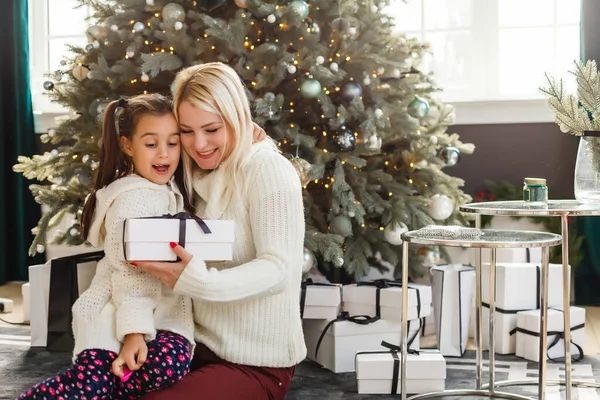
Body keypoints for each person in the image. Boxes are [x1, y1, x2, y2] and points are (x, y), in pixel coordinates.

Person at [133, 62, 306, 400]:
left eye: (212, 128)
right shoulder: (186, 170)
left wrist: (201, 282)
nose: (199, 144)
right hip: (188, 346)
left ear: (238, 117)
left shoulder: (268, 169)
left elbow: (280, 270)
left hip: (254, 362)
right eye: (187, 131)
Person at [17, 94, 196, 400]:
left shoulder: (168, 189)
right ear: (128, 146)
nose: (164, 154)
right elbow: (131, 273)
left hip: (163, 312)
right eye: (151, 144)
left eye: (173, 143)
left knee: (166, 365)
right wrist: (133, 334)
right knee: (92, 387)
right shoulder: (135, 198)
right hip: (115, 313)